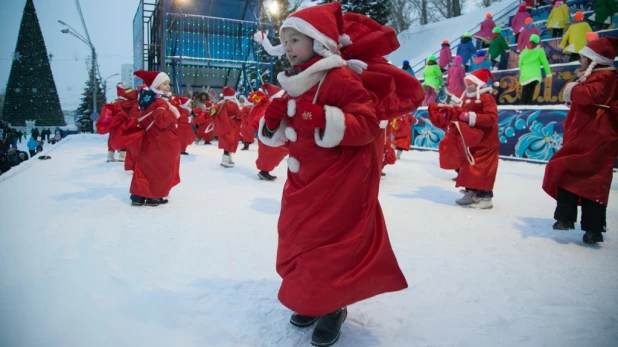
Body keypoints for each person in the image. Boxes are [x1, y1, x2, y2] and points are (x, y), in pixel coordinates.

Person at [253, 3, 408, 346]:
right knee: (300, 242)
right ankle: (312, 298)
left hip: (338, 184)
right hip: (302, 182)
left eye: (296, 40)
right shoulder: (293, 82)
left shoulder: (340, 77)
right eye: (286, 41)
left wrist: (324, 118)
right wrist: (272, 119)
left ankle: (332, 307)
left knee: (329, 247)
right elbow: (275, 136)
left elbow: (367, 125)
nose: (289, 48)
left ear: (317, 42)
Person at [543, 37, 618, 244]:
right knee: (568, 172)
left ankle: (593, 229)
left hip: (596, 138)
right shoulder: (596, 76)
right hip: (583, 136)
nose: (580, 61)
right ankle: (566, 218)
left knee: (591, 180)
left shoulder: (605, 77)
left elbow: (589, 96)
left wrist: (572, 89)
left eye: (583, 58)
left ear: (595, 60)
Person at [129, 70, 181, 207]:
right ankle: (154, 196)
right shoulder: (159, 103)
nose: (168, 86)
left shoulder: (146, 100)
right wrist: (174, 112)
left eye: (168, 83)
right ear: (156, 85)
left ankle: (138, 195)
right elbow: (162, 121)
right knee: (160, 168)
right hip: (161, 141)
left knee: (145, 167)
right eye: (164, 83)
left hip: (150, 139)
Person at [454, 68, 500, 209]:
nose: (467, 86)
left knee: (484, 169)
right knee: (469, 167)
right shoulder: (465, 98)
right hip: (472, 140)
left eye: (470, 84)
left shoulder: (487, 98)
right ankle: (471, 191)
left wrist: (471, 117)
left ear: (479, 85)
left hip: (486, 142)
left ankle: (485, 197)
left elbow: (492, 118)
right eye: (466, 83)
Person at [248, 84, 289, 181]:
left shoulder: (266, 104)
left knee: (267, 155)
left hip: (266, 135)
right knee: (270, 155)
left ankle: (264, 171)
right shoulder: (271, 106)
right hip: (270, 136)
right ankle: (264, 172)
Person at [212, 86, 242, 167]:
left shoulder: (221, 104)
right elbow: (239, 114)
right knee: (230, 143)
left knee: (226, 143)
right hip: (231, 127)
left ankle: (227, 158)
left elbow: (213, 111)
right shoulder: (233, 105)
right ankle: (225, 160)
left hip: (223, 126)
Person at [519, 34, 551, 104]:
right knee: (531, 90)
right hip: (534, 74)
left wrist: (522, 71)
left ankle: (522, 106)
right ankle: (528, 105)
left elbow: (520, 62)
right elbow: (544, 62)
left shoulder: (524, 51)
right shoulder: (540, 51)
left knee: (525, 90)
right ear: (537, 42)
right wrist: (548, 73)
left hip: (525, 74)